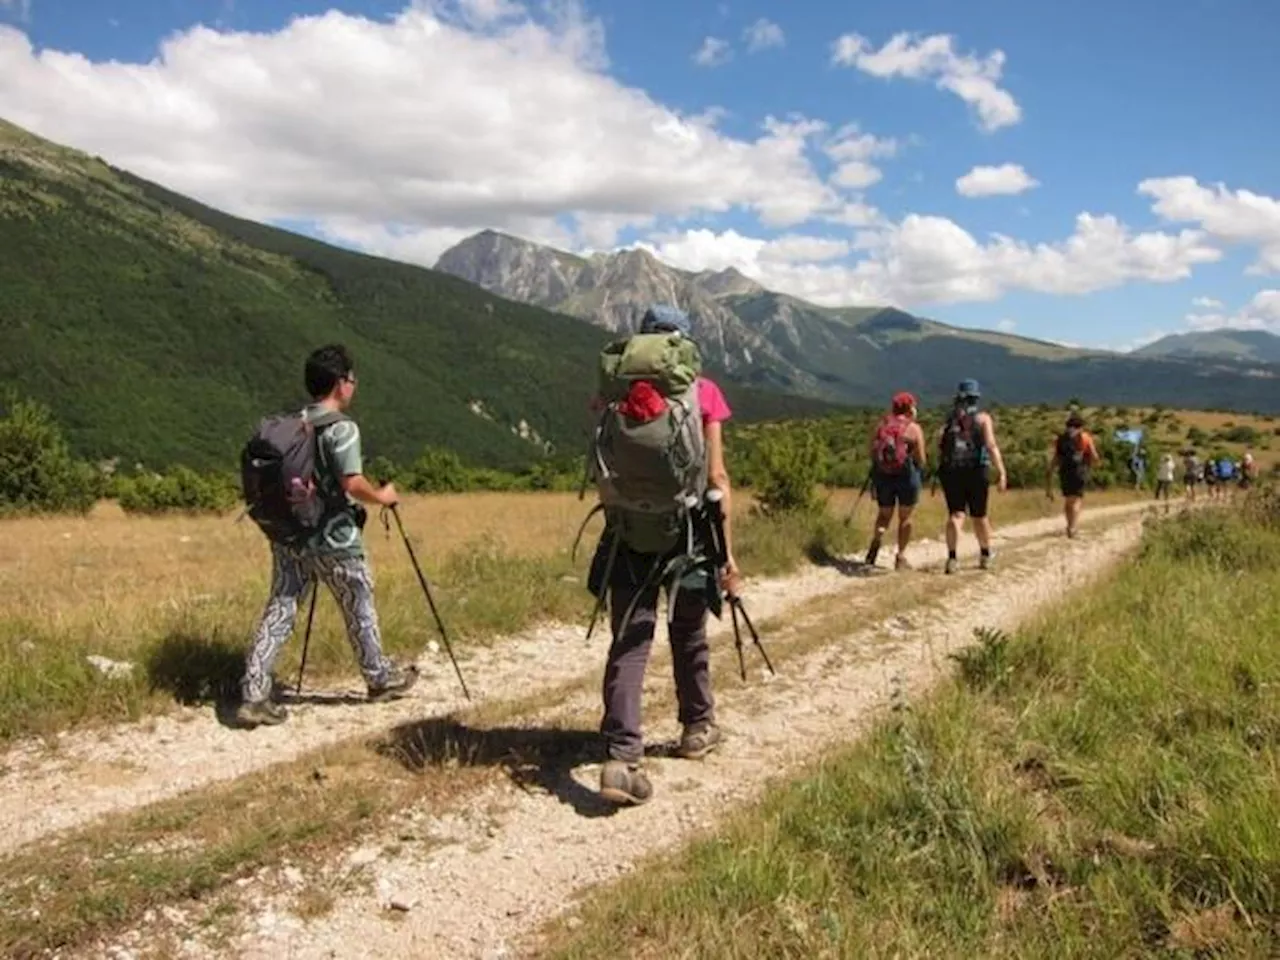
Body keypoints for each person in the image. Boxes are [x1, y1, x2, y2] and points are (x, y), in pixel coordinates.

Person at [587, 304, 740, 807]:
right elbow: (716, 478)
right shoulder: (704, 392)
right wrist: (728, 558)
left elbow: (600, 466)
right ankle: (697, 727)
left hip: (627, 530)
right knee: (688, 633)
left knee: (630, 641)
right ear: (683, 347)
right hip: (689, 533)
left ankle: (620, 756)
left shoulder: (611, 394)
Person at [236, 344, 417, 728]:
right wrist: (383, 497)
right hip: (334, 537)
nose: (353, 386)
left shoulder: (295, 422)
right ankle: (379, 677)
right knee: (358, 602)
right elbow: (352, 483)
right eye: (351, 379)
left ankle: (254, 692)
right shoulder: (341, 428)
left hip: (289, 535)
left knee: (282, 607)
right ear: (340, 383)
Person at [935, 379, 1007, 574]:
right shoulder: (983, 419)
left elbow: (939, 443)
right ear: (976, 397)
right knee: (979, 516)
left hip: (952, 472)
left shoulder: (950, 420)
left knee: (956, 515)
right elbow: (991, 445)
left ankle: (952, 558)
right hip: (977, 471)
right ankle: (985, 554)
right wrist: (1001, 471)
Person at [864, 391, 927, 570]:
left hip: (883, 476)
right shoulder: (913, 429)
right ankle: (900, 556)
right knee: (905, 518)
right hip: (907, 477)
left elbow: (871, 452)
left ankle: (877, 540)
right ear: (910, 408)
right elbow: (921, 458)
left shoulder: (881, 426)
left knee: (884, 515)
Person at [1046, 413, 1101, 539]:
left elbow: (1056, 457)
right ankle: (1073, 527)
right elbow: (1094, 456)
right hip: (1079, 471)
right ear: (1080, 426)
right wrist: (1091, 465)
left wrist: (1050, 470)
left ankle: (1069, 524)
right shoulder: (1085, 437)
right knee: (1076, 500)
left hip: (1064, 472)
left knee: (1068, 500)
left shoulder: (1061, 439)